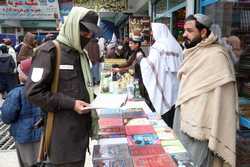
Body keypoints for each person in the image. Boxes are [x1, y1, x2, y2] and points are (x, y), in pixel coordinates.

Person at [25, 7, 100, 167]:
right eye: (85, 31)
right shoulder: (49, 52)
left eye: (91, 33)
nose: (88, 36)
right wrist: (71, 104)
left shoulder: (80, 54)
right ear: (73, 26)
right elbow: (33, 93)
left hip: (80, 135)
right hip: (62, 139)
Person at [173, 14, 237, 167]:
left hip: (202, 126)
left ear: (203, 32)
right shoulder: (192, 52)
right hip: (183, 118)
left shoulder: (217, 55)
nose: (185, 35)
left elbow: (224, 99)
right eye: (184, 31)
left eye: (189, 31)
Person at [140, 23, 183, 128]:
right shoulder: (177, 45)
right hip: (176, 85)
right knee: (173, 115)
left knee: (164, 118)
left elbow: (150, 65)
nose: (152, 34)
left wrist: (142, 60)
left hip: (163, 82)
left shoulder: (158, 46)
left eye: (153, 31)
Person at [1, 58, 42, 167]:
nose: (18, 74)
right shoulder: (45, 89)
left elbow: (6, 117)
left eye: (20, 72)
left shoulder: (16, 93)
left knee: (28, 163)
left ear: (25, 74)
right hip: (43, 135)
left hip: (24, 137)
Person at [112, 35, 155, 112]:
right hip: (137, 78)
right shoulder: (134, 52)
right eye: (129, 43)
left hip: (141, 80)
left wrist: (119, 70)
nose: (129, 45)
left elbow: (131, 67)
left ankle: (147, 113)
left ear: (137, 44)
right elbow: (128, 63)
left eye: (131, 43)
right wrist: (118, 65)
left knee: (143, 98)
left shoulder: (139, 54)